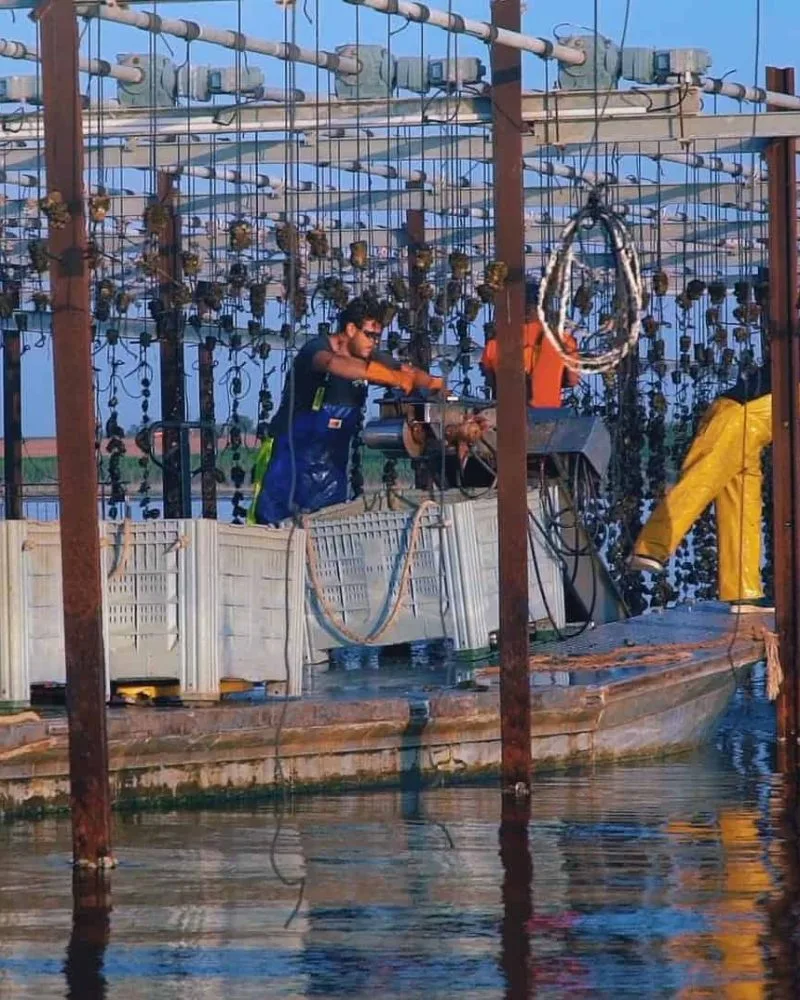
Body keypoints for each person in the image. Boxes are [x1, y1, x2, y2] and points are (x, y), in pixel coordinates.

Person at [248, 299, 444, 525]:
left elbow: (408, 371)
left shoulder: (370, 358)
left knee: (326, 534)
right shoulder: (316, 350)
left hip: (331, 471)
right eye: (369, 335)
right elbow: (333, 364)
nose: (374, 342)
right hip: (286, 460)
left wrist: (434, 384)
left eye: (377, 337)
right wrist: (391, 377)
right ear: (350, 329)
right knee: (271, 525)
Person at [627, 364, 773, 613]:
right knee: (702, 480)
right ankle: (652, 546)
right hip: (739, 417)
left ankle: (743, 591)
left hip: (745, 420)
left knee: (741, 506)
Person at [480, 279, 579, 408]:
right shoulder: (564, 342)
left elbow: (489, 380)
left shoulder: (495, 344)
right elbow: (572, 380)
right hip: (548, 417)